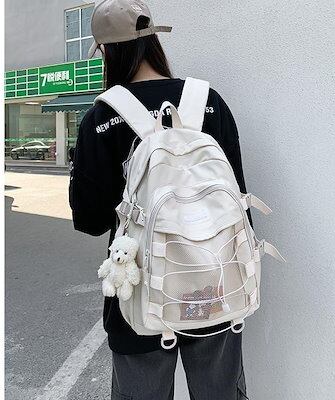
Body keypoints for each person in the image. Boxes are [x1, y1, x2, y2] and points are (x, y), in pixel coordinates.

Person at [69, 1, 250, 399]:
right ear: (153, 40)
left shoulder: (102, 118)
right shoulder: (209, 101)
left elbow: (90, 219)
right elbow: (238, 198)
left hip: (140, 294)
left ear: (107, 52)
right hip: (214, 283)